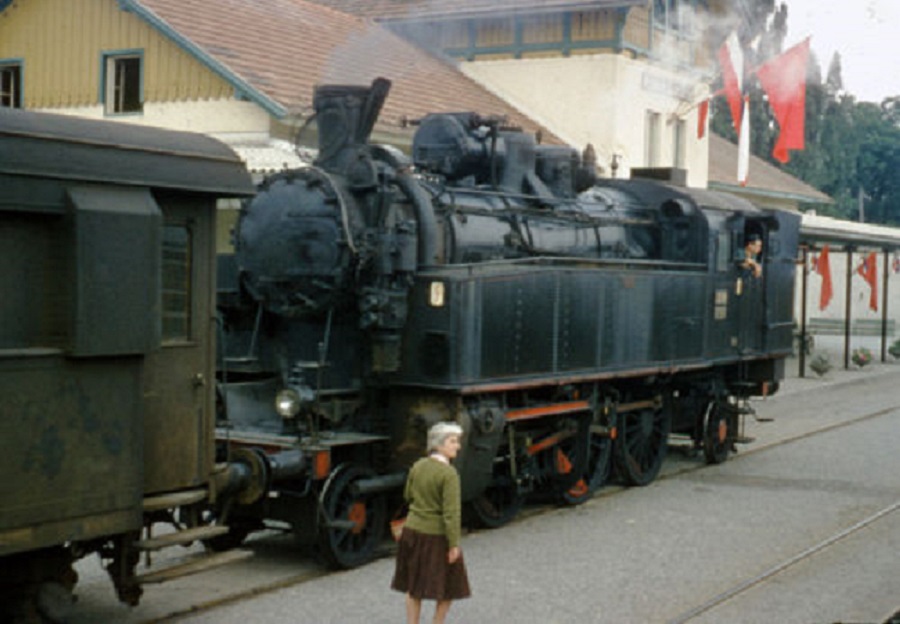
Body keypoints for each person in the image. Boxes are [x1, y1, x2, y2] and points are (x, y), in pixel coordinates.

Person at [391, 421, 471, 624]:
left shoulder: (417, 466)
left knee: (413, 586)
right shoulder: (449, 474)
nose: (457, 446)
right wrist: (454, 544)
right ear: (439, 444)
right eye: (453, 441)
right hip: (436, 536)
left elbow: (408, 495)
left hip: (412, 532)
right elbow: (451, 513)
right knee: (450, 586)